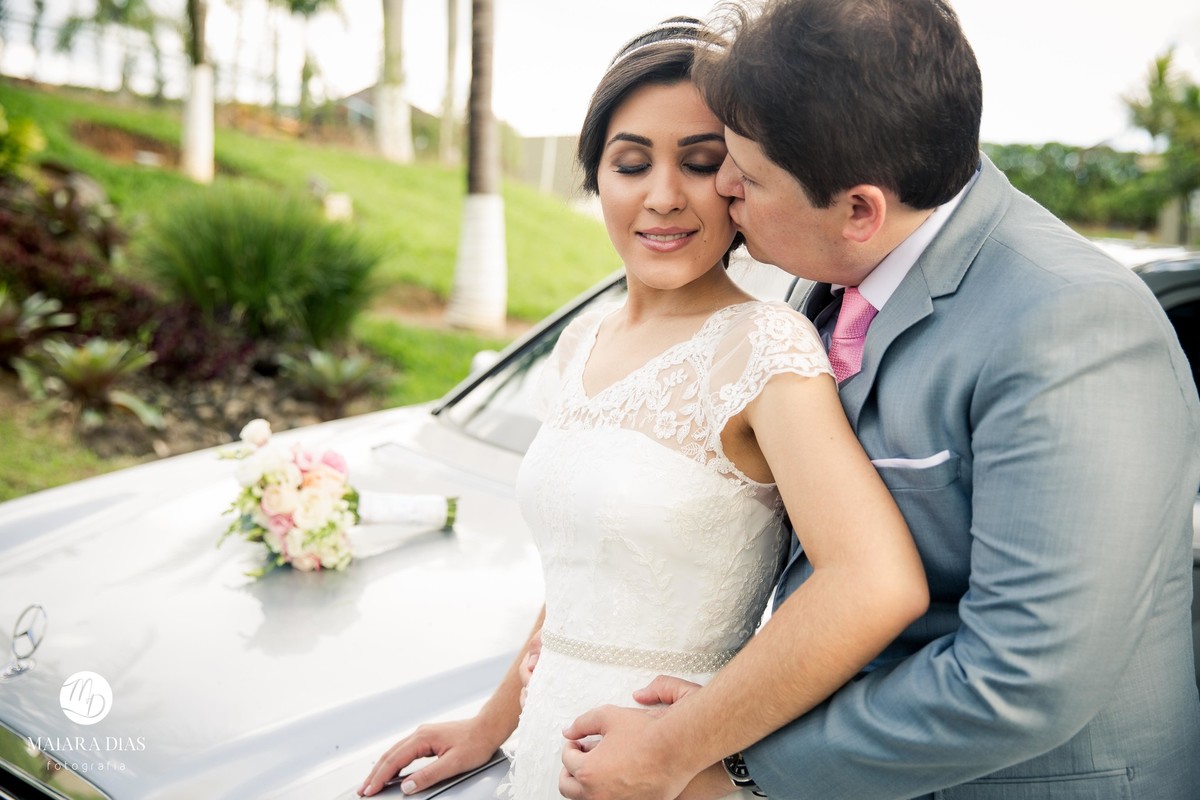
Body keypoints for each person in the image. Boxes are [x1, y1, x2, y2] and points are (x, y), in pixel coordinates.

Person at [558, 1, 1200, 799]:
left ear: (860, 209)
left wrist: (728, 767)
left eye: (746, 175)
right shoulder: (814, 271)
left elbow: (1024, 679)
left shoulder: (1071, 324)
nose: (722, 188)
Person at [358, 16, 930, 799]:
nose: (663, 198)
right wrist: (492, 725)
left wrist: (682, 751)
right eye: (631, 164)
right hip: (544, 758)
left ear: (741, 183)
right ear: (597, 175)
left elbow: (875, 582)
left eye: (701, 164)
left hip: (667, 774)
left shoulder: (766, 349)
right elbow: (587, 575)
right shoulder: (580, 344)